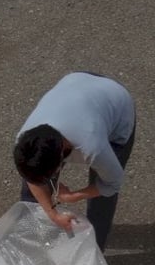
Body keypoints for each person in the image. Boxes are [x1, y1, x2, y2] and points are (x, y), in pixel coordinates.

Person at [13, 72, 136, 251]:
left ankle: (94, 252)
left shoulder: (93, 146)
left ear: (61, 158)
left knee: (102, 200)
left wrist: (74, 195)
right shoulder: (27, 142)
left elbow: (113, 183)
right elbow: (33, 179)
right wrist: (53, 214)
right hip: (78, 83)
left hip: (116, 103)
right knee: (34, 182)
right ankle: (31, 242)